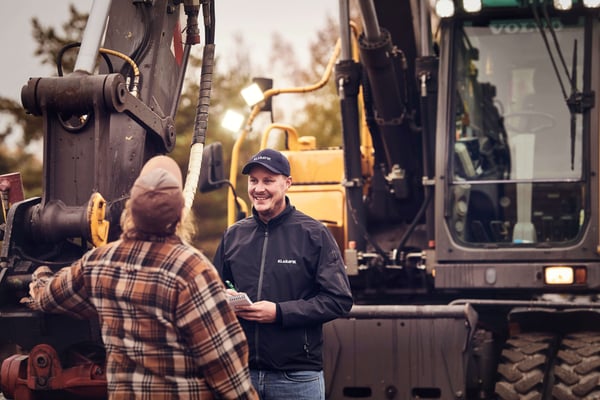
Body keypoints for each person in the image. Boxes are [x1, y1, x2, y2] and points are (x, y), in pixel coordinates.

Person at [26, 155, 258, 400]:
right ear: (180, 215)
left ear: (130, 211)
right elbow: (224, 365)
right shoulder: (192, 270)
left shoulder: (99, 262)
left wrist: (40, 274)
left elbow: (48, 296)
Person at [213, 148, 354, 399]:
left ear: (287, 183)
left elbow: (338, 300)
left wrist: (279, 313)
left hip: (296, 378)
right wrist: (226, 299)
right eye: (253, 181)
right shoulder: (233, 235)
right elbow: (212, 294)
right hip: (241, 375)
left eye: (268, 180)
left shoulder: (314, 234)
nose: (259, 188)